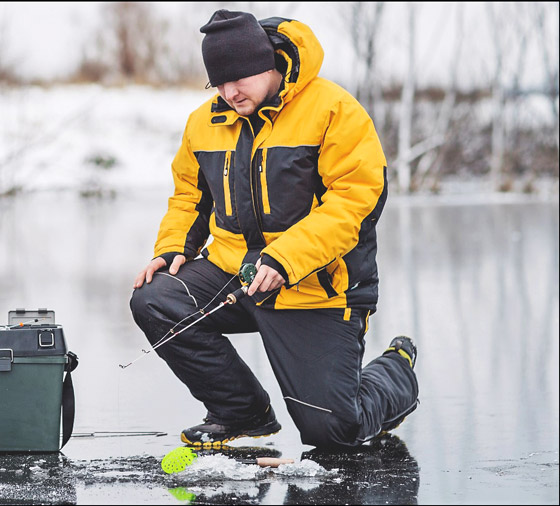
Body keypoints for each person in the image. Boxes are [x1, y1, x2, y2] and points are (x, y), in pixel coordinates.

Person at [129, 9, 419, 448]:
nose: (229, 91)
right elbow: (190, 194)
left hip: (316, 286)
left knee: (335, 431)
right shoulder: (203, 122)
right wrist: (172, 247)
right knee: (156, 298)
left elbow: (355, 201)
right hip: (236, 275)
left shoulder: (333, 110)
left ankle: (396, 370)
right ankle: (241, 412)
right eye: (219, 82)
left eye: (239, 78)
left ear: (269, 63)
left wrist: (286, 257)